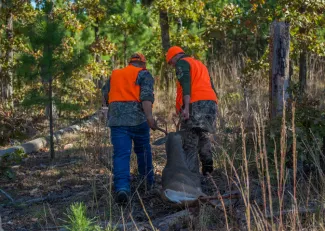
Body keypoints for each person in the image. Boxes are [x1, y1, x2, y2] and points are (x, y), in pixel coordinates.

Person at [102, 53, 157, 204]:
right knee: (143, 150)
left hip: (117, 120)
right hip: (138, 120)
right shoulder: (144, 74)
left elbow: (105, 94)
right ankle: (147, 183)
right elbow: (146, 97)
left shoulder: (115, 74)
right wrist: (150, 118)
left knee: (121, 154)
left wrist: (114, 108)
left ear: (130, 62)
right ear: (143, 64)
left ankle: (122, 189)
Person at [166, 46, 218, 176]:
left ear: (174, 57)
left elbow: (186, 86)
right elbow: (211, 86)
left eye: (170, 62)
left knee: (189, 140)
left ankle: (191, 175)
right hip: (210, 103)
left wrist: (187, 108)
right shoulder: (200, 64)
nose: (172, 65)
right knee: (203, 136)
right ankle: (208, 171)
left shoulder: (182, 63)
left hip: (195, 104)